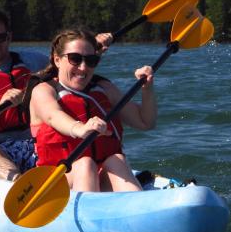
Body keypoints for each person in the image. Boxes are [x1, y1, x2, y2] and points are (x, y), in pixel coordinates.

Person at [0, 6, 112, 182]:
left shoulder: (32, 60)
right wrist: (1, 103)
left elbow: (67, 65)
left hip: (35, 143)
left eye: (0, 37)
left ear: (9, 36)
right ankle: (22, 187)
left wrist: (92, 48)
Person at [29, 29, 157, 192]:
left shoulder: (104, 89)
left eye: (90, 61)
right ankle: (85, 212)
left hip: (99, 177)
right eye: (75, 59)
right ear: (57, 60)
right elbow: (53, 116)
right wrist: (79, 128)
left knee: (116, 159)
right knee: (84, 163)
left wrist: (147, 89)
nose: (83, 68)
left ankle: (138, 206)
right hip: (56, 181)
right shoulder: (44, 90)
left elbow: (145, 122)